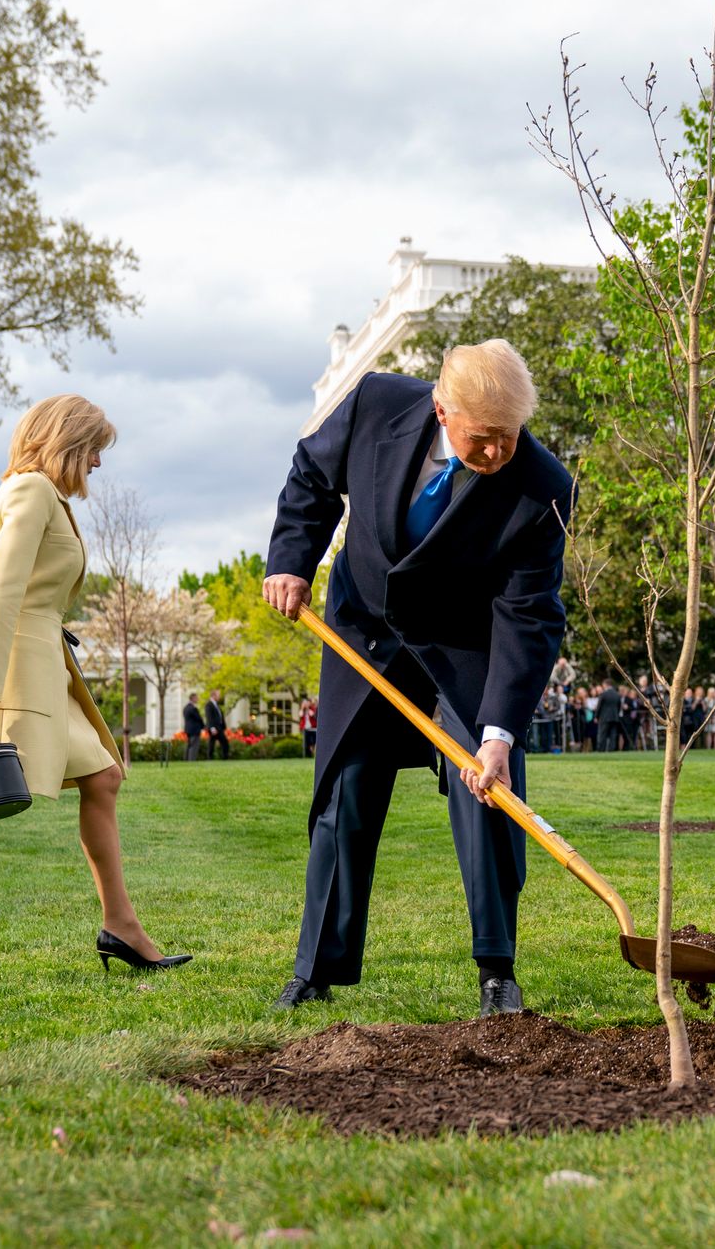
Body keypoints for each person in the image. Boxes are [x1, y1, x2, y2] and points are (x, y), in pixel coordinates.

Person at [261, 339, 572, 1016]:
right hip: (364, 630)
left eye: (509, 438)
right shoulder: (376, 404)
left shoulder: (542, 489)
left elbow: (528, 614)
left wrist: (497, 735)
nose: (496, 454)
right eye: (482, 439)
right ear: (441, 409)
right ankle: (316, 971)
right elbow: (313, 475)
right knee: (344, 793)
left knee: (489, 795)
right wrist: (292, 559)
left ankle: (497, 972)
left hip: (465, 649)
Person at [0, 394, 189, 990]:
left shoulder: (44, 497)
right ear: (68, 440)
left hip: (41, 665)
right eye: (93, 449)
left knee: (104, 776)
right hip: (12, 669)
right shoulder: (30, 491)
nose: (97, 463)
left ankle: (121, 926)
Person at [594, 680, 623, 753]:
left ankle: (601, 749)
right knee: (613, 735)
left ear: (605, 684)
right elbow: (619, 706)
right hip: (614, 717)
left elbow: (599, 706)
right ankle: (611, 749)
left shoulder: (603, 694)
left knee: (602, 734)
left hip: (604, 717)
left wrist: (596, 716)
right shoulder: (617, 694)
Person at [204, 689, 230, 760]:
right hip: (214, 728)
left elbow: (220, 716)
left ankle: (224, 757)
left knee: (223, 742)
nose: (219, 697)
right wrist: (212, 728)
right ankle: (210, 758)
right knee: (213, 743)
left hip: (219, 727)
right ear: (213, 695)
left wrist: (224, 726)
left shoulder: (216, 705)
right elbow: (209, 717)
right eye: (218, 695)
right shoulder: (209, 705)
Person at [182, 694, 206, 761]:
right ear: (193, 698)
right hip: (195, 730)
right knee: (194, 746)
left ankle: (186, 759)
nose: (198, 699)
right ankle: (191, 760)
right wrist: (204, 726)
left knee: (189, 745)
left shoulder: (185, 708)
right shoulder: (193, 708)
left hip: (188, 730)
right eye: (196, 698)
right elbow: (198, 718)